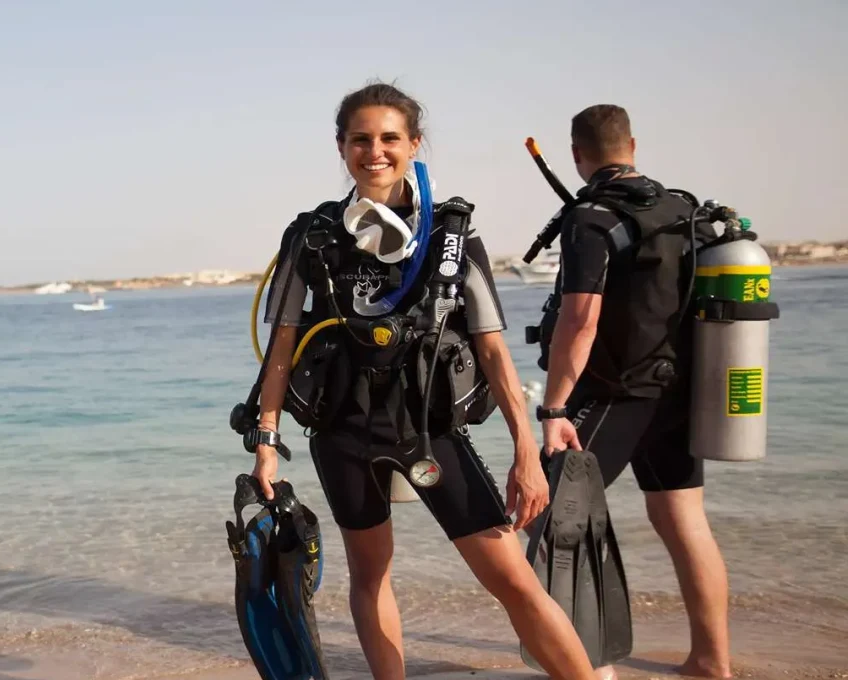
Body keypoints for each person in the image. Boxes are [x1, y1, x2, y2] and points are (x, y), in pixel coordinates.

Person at [248, 81, 599, 680]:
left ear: (414, 144)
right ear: (341, 147)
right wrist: (265, 437)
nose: (375, 150)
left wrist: (526, 449)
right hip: (342, 433)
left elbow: (493, 353)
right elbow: (281, 344)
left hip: (430, 433)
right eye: (361, 139)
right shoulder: (312, 236)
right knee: (370, 575)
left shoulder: (452, 237)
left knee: (512, 579)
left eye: (390, 138)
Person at [538, 104, 731, 678]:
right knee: (684, 520)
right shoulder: (682, 208)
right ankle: (710, 661)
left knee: (555, 520)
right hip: (679, 392)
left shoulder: (591, 217)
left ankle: (594, 669)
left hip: (616, 393)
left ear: (577, 155)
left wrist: (552, 406)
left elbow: (579, 321)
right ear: (633, 145)